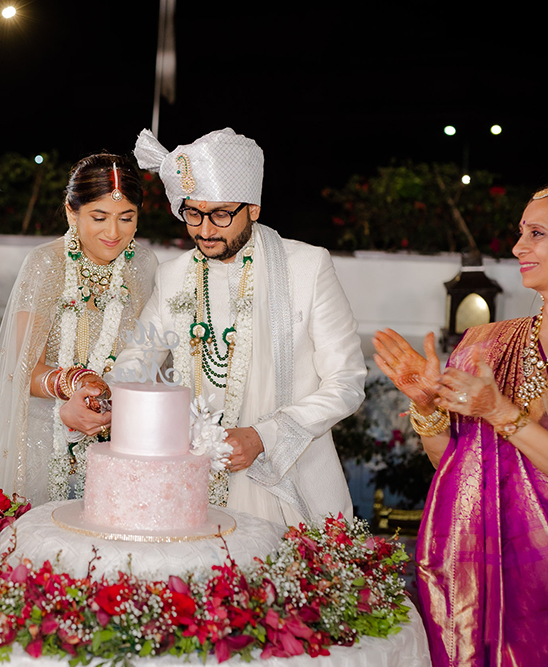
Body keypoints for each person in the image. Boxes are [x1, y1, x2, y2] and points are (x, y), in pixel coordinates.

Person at [373, 180, 548, 666]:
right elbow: (455, 469)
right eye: (520, 232)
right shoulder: (487, 344)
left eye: (536, 233)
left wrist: (499, 412)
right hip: (490, 580)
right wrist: (427, 406)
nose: (518, 247)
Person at [114, 128, 364, 525]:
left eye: (221, 214)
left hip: (287, 480)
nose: (205, 230)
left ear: (254, 209)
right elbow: (137, 362)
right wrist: (104, 395)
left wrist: (263, 436)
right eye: (193, 213)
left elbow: (346, 382)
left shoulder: (307, 268)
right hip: (194, 481)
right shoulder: (174, 276)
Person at [0, 154, 158, 504]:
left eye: (126, 218)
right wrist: (74, 384)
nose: (113, 233)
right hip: (45, 441)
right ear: (72, 212)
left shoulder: (143, 266)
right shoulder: (47, 264)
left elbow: (150, 357)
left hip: (118, 441)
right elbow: (21, 369)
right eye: (99, 217)